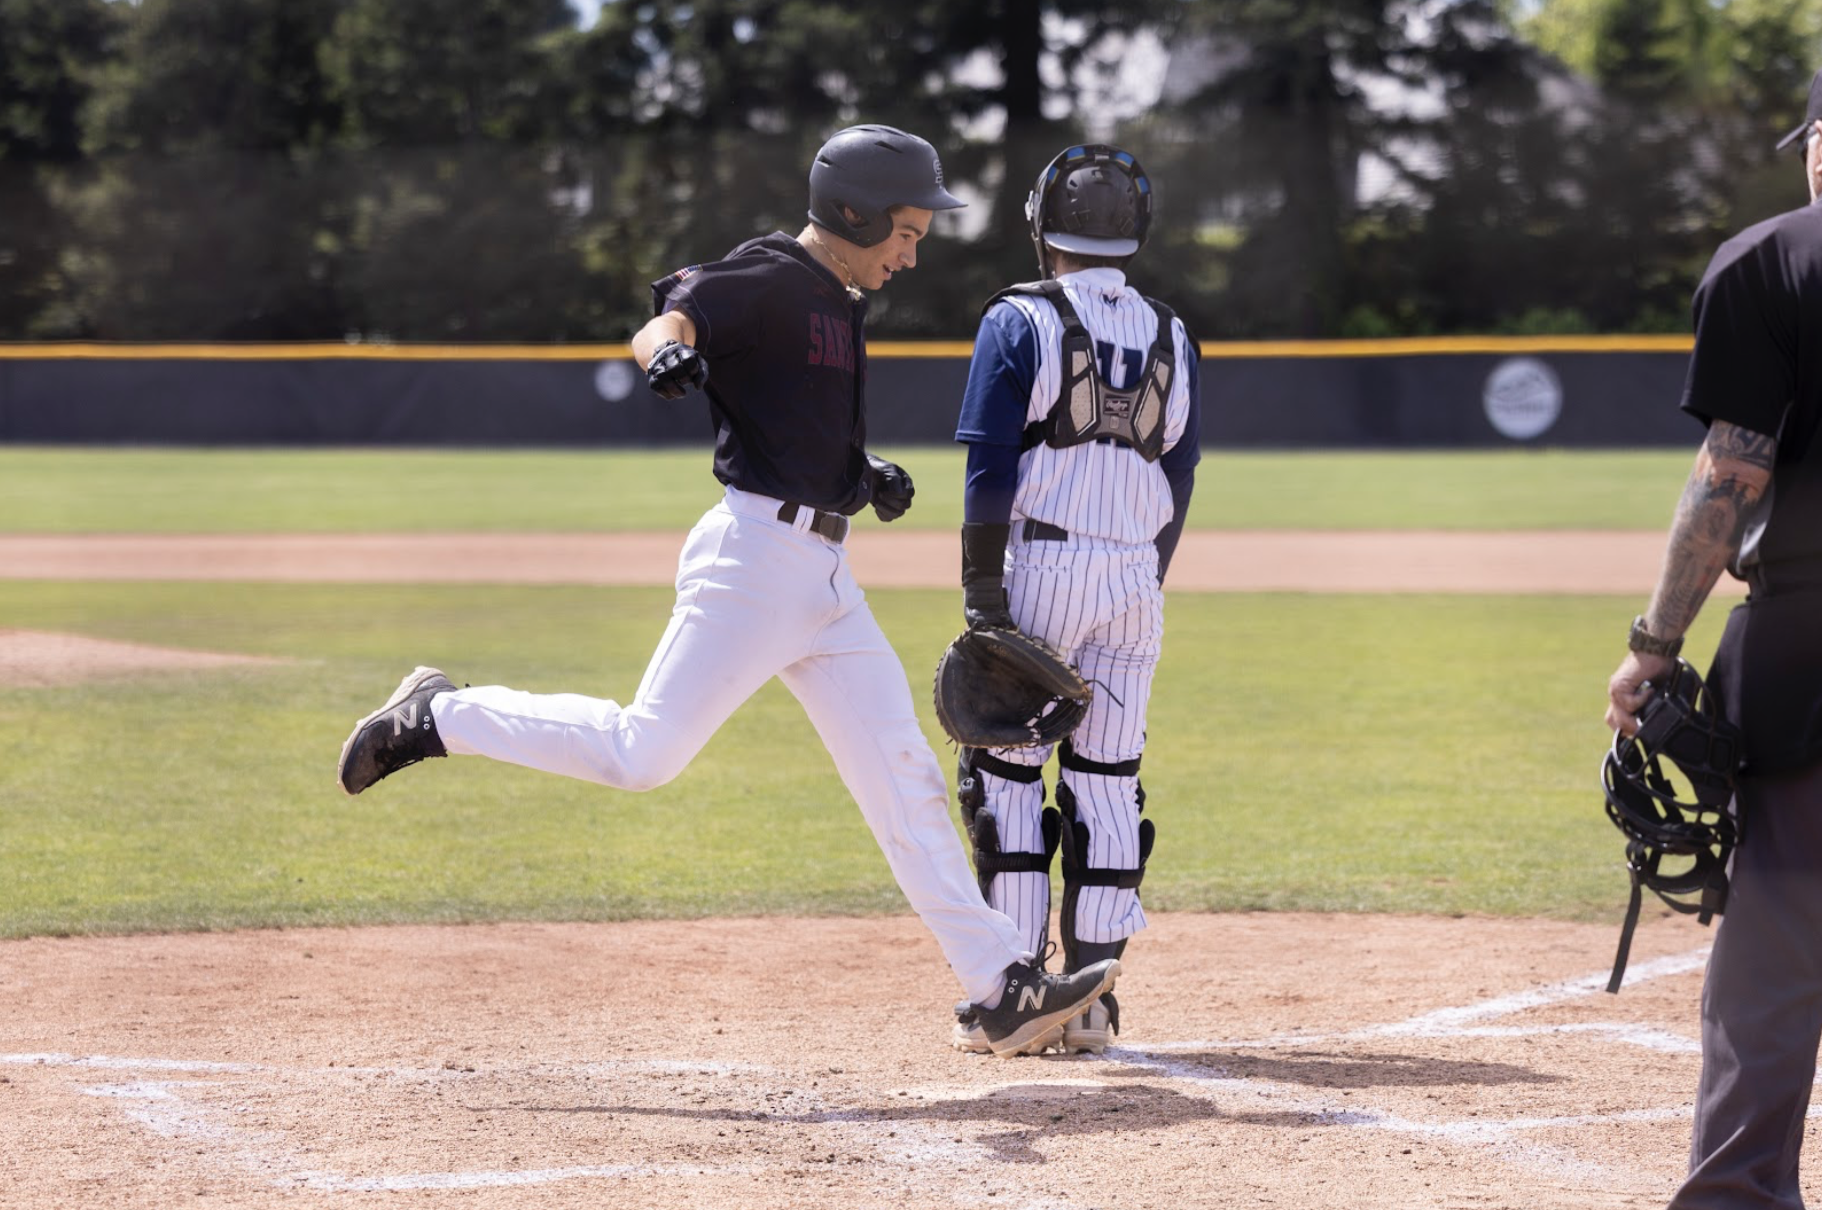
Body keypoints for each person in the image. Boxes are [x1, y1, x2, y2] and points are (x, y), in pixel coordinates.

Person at [335, 124, 1120, 1059]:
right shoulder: (772, 275)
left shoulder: (838, 295)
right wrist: (664, 353)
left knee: (901, 774)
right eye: (906, 230)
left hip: (824, 575)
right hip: (752, 563)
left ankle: (999, 985)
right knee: (643, 753)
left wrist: (860, 475)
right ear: (852, 213)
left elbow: (783, 414)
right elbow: (670, 318)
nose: (914, 251)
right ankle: (438, 715)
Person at [1603, 70, 1822, 1208]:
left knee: (1780, 942)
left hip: (1809, 633)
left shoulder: (1774, 259)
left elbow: (1730, 472)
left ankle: (1737, 1195)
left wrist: (1653, 641)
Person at [945, 144, 1200, 1055]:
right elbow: (1181, 470)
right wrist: (1141, 579)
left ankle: (1012, 996)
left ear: (1038, 224)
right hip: (1136, 578)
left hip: (1041, 573)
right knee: (1108, 786)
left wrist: (983, 593)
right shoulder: (1172, 332)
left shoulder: (1018, 318)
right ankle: (1094, 1005)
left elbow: (988, 464)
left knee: (1007, 780)